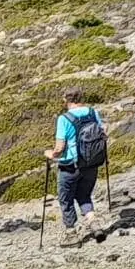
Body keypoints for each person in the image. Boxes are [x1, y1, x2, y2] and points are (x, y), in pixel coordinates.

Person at [44, 88, 107, 242]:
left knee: (66, 198)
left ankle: (71, 233)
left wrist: (51, 154)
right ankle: (94, 223)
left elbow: (60, 147)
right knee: (84, 195)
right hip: (91, 163)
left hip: (70, 166)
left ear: (66, 100)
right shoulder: (92, 112)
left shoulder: (64, 119)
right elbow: (104, 132)